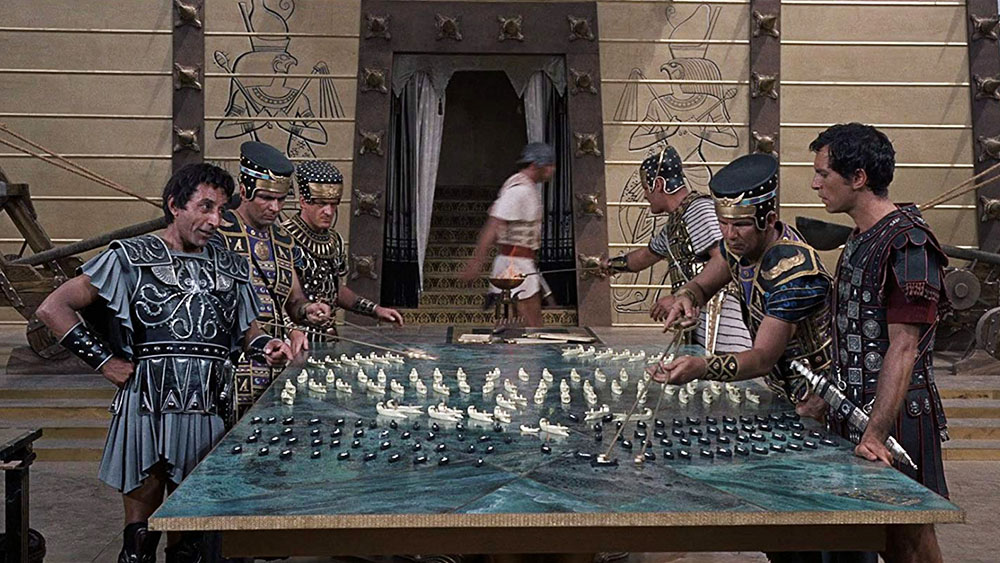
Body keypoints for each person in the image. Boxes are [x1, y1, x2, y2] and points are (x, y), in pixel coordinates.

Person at [35, 163, 294, 563]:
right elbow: (53, 308)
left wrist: (268, 346)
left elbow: (249, 334)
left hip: (208, 409)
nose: (215, 220)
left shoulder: (230, 265)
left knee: (191, 540)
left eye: (220, 210)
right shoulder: (130, 257)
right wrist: (106, 362)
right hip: (147, 408)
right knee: (139, 541)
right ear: (175, 205)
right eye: (205, 207)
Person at [811, 123, 949, 563]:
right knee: (863, 538)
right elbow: (851, 333)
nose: (815, 184)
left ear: (858, 177)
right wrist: (824, 397)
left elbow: (904, 348)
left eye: (824, 174)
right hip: (852, 410)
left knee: (908, 539)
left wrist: (876, 433)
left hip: (896, 418)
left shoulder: (908, 243)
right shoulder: (860, 238)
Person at [653, 153, 830, 416]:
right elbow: (702, 286)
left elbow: (762, 359)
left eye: (740, 224)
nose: (729, 234)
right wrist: (686, 298)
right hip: (785, 388)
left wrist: (700, 367)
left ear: (769, 220)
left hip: (821, 395)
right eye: (722, 223)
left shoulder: (793, 272)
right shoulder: (739, 246)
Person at [211, 141, 332, 416]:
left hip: (276, 364)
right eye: (266, 198)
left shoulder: (283, 240)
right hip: (232, 365)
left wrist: (308, 310)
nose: (275, 207)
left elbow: (294, 300)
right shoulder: (219, 234)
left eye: (281, 199)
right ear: (245, 191)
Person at [603, 145, 751, 353]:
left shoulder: (699, 210)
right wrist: (609, 266)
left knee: (727, 371)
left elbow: (725, 260)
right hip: (696, 319)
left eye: (646, 187)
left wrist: (678, 298)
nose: (645, 195)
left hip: (722, 322)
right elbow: (646, 256)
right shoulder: (675, 222)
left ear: (658, 184)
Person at [282, 159, 403, 341]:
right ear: (303, 202)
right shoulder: (283, 239)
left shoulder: (334, 240)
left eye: (333, 204)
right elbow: (284, 299)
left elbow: (336, 290)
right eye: (321, 203)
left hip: (328, 337)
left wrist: (375, 310)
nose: (329, 212)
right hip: (293, 338)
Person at [460, 142, 556, 327]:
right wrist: (476, 261)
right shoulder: (518, 190)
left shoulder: (526, 188)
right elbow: (494, 224)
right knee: (527, 324)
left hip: (521, 262)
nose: (552, 170)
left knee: (521, 324)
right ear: (535, 165)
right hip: (514, 264)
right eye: (548, 165)